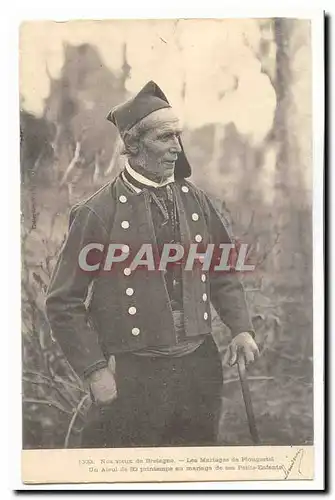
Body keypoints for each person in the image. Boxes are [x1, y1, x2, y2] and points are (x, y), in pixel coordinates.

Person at [45, 81, 259, 448]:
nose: (177, 147)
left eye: (178, 136)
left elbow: (221, 270)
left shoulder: (196, 201)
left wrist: (240, 328)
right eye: (165, 138)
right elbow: (62, 303)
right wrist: (96, 371)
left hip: (199, 369)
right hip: (133, 375)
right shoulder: (98, 212)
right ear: (133, 145)